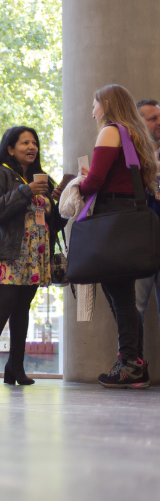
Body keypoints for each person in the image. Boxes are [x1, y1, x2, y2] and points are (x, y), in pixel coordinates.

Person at [78, 85, 158, 388]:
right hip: (128, 216)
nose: (92, 110)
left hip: (111, 218)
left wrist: (79, 184)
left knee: (121, 299)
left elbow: (95, 181)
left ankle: (131, 364)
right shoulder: (133, 135)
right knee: (121, 297)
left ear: (107, 104)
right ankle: (132, 361)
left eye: (95, 104)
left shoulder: (110, 131)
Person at [0, 126, 66, 385]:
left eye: (34, 142)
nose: (31, 147)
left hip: (36, 255)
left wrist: (59, 202)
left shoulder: (43, 180)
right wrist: (27, 191)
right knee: (3, 305)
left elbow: (55, 224)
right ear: (10, 148)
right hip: (9, 252)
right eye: (24, 142)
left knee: (23, 309)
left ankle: (15, 368)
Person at [134, 99, 160, 343]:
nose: (159, 123)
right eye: (153, 119)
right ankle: (133, 365)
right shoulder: (130, 155)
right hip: (139, 241)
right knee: (135, 308)